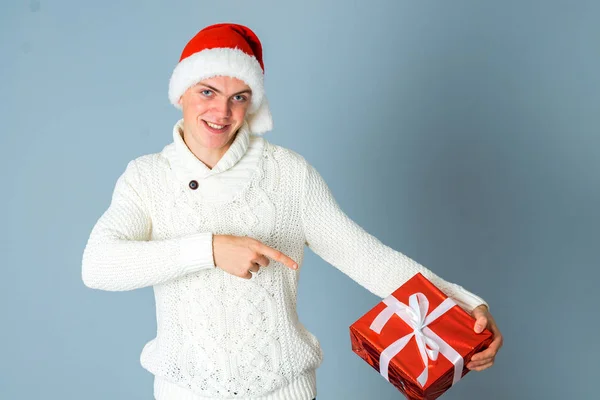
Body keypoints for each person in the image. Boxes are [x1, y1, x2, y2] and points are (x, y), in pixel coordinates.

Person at [81, 23, 502, 400]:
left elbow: (363, 256)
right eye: (207, 91)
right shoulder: (146, 177)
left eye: (238, 97)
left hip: (283, 390)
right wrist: (210, 250)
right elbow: (98, 266)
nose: (221, 112)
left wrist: (462, 305)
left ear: (252, 105)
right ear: (181, 93)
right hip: (184, 392)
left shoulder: (287, 174)